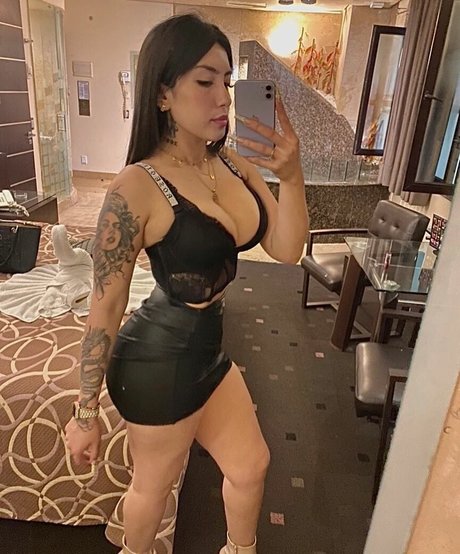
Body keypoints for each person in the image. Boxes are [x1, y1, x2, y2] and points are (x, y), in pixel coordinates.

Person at [65, 13, 308, 554]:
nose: (223, 97)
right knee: (153, 486)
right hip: (155, 362)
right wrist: (85, 411)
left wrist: (291, 177)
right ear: (162, 94)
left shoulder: (233, 166)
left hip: (208, 352)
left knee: (251, 466)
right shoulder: (137, 186)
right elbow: (106, 306)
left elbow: (288, 250)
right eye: (204, 81)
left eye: (228, 81)